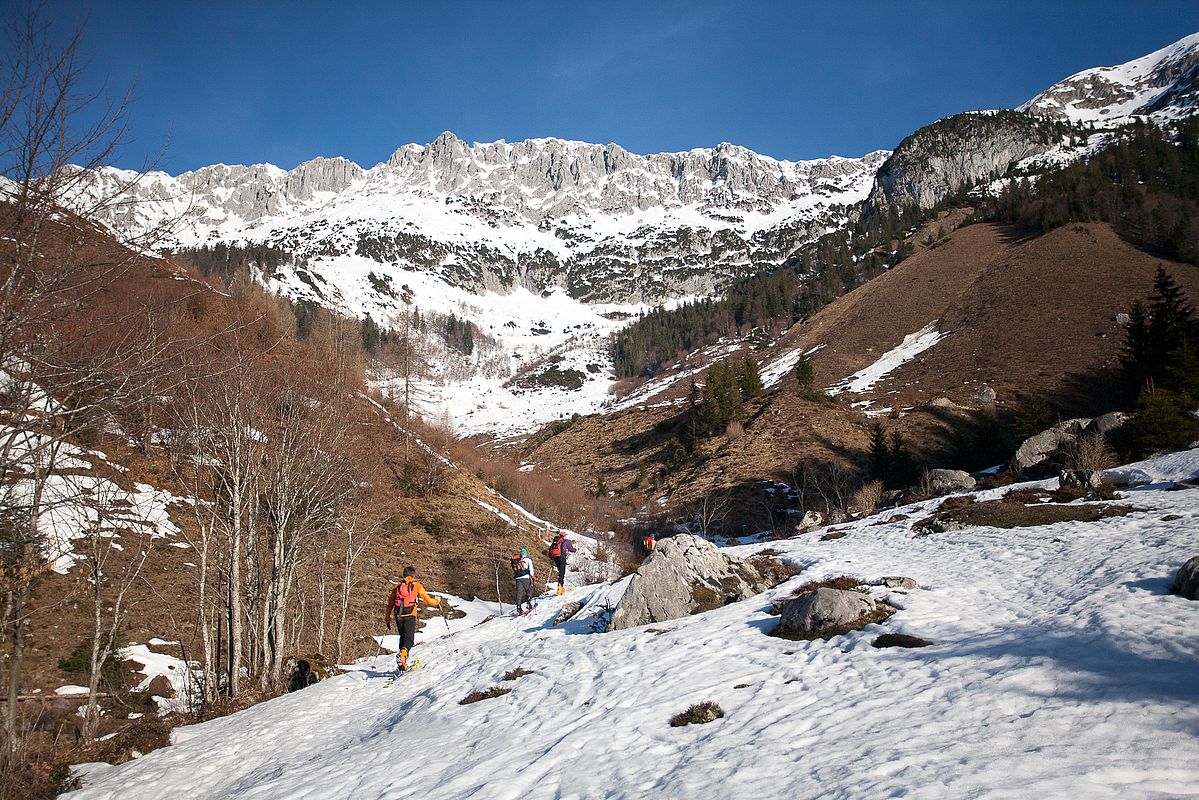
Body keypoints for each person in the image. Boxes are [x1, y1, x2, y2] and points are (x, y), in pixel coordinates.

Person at [384, 566, 440, 673]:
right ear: (413, 575)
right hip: (410, 615)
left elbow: (390, 604)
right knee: (409, 640)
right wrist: (437, 601)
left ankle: (402, 664)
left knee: (403, 637)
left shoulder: (397, 587)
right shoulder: (417, 586)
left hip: (398, 615)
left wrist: (387, 619)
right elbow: (428, 600)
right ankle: (402, 658)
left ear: (404, 575)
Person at [547, 528, 576, 595]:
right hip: (561, 557)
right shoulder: (565, 541)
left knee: (560, 572)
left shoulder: (555, 541)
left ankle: (560, 586)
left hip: (555, 558)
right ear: (564, 536)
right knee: (562, 572)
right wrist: (575, 550)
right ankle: (560, 588)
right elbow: (571, 549)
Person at [511, 547, 536, 615]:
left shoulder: (515, 561)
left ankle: (518, 608)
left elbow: (513, 570)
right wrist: (532, 576)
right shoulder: (528, 560)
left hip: (518, 578)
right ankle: (528, 604)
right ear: (525, 554)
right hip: (525, 578)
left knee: (519, 593)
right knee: (529, 590)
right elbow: (531, 569)